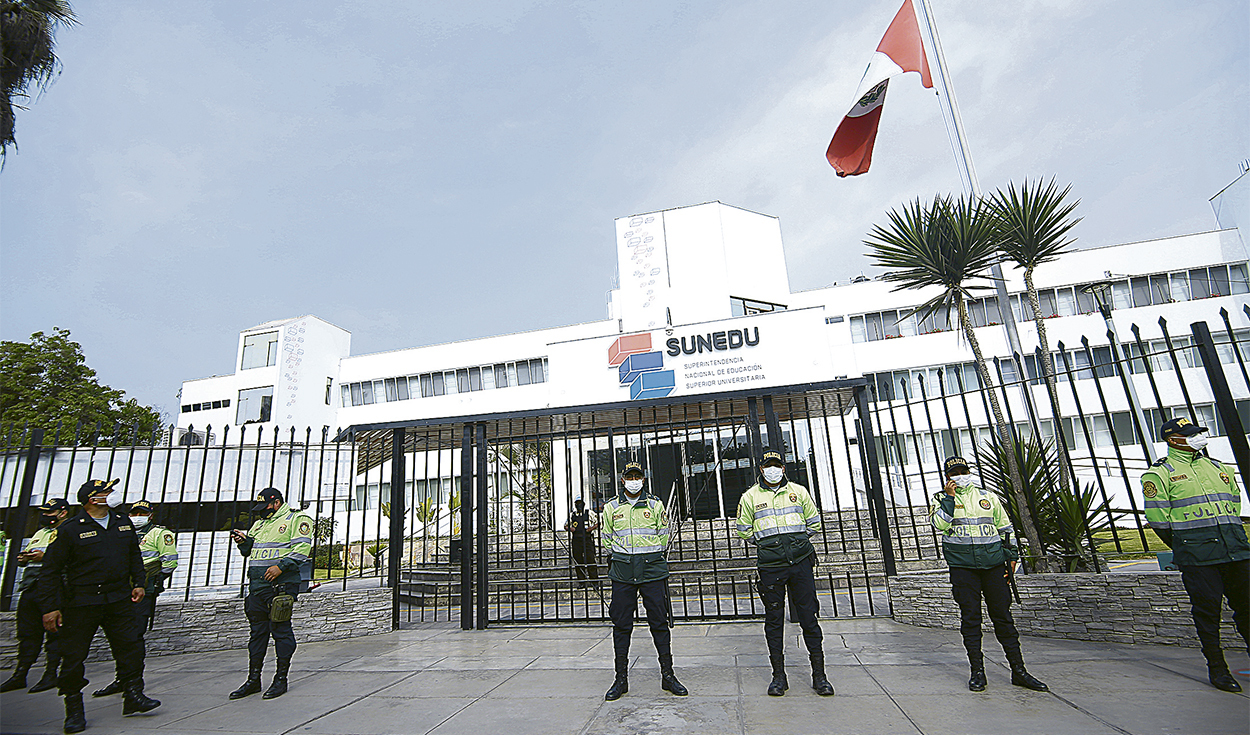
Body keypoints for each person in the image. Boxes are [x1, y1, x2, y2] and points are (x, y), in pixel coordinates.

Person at [38, 479, 161, 734]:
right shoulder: (71, 529)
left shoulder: (122, 522)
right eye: (106, 492)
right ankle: (73, 709)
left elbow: (133, 556)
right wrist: (50, 607)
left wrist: (139, 582)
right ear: (93, 499)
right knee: (73, 655)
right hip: (82, 601)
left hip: (118, 598)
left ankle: (133, 695)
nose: (112, 495)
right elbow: (50, 571)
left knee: (131, 646)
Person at [1142, 417, 1249, 693]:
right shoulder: (1160, 474)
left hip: (1235, 550)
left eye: (1199, 433)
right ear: (1172, 439)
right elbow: (1158, 520)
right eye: (1190, 434)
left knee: (1248, 609)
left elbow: (1233, 505)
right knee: (1208, 614)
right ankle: (1218, 669)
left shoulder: (1219, 468)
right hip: (1198, 556)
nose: (1198, 437)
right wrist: (1186, 544)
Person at [929, 456, 1047, 693]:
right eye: (954, 473)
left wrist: (1012, 556)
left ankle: (1019, 670)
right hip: (963, 568)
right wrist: (950, 499)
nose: (960, 475)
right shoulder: (940, 499)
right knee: (970, 618)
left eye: (963, 470)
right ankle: (977, 672)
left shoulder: (987, 496)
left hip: (993, 565)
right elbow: (939, 525)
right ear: (947, 477)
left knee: (1003, 617)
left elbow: (1005, 528)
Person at [735, 449, 835, 697]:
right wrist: (771, 546)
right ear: (761, 469)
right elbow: (743, 530)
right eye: (768, 465)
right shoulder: (750, 497)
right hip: (771, 567)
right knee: (774, 621)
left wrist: (796, 543)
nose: (772, 469)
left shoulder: (799, 492)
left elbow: (814, 523)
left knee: (809, 617)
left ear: (783, 468)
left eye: (776, 465)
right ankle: (778, 676)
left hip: (800, 563)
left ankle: (819, 675)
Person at [600, 461, 688, 701]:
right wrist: (623, 556)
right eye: (630, 476)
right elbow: (606, 539)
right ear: (622, 480)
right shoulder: (611, 508)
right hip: (623, 573)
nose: (634, 480)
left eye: (638, 476)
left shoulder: (655, 504)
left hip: (652, 571)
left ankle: (668, 676)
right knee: (621, 625)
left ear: (644, 480)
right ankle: (621, 679)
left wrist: (649, 554)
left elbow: (663, 534)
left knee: (659, 623)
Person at [228, 487, 313, 701]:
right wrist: (243, 541)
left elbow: (301, 549)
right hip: (257, 587)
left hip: (280, 587)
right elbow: (250, 550)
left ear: (276, 503)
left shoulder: (297, 519)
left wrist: (281, 567)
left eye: (265, 506)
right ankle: (253, 680)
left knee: (281, 631)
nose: (261, 511)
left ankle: (280, 679)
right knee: (257, 634)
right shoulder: (260, 524)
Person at [91, 499, 179, 697]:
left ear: (150, 515)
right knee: (121, 638)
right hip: (121, 590)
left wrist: (153, 580)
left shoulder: (160, 533)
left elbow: (169, 562)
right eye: (134, 513)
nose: (137, 517)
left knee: (134, 637)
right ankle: (121, 678)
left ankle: (132, 682)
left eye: (142, 513)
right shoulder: (124, 531)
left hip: (143, 591)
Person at [1, 498, 69, 694]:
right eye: (44, 512)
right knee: (28, 632)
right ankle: (20, 674)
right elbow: (29, 559)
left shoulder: (68, 531)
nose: (45, 516)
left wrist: (44, 557)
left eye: (49, 512)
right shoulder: (41, 533)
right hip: (31, 587)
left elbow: (73, 560)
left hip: (57, 588)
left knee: (54, 632)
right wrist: (23, 558)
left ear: (62, 513)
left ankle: (51, 674)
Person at [564, 497, 600, 586]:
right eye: (577, 503)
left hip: (587, 539)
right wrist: (570, 528)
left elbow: (599, 522)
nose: (579, 505)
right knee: (578, 561)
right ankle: (582, 582)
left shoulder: (589, 513)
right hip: (576, 540)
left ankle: (594, 582)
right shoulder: (572, 515)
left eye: (580, 503)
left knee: (590, 559)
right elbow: (565, 525)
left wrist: (591, 528)